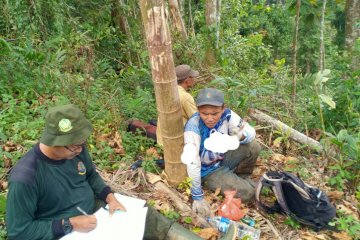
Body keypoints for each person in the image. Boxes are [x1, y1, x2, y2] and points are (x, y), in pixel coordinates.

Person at [6, 104, 236, 240]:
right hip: (64, 231)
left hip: (93, 213)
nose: (79, 150)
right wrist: (69, 224)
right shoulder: (26, 177)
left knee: (143, 214)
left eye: (81, 144)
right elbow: (19, 231)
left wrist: (109, 197)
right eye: (73, 146)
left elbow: (91, 176)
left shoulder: (76, 149)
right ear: (53, 141)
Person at [181, 88, 261, 217]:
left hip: (222, 157)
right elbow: (193, 162)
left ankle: (242, 176)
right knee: (249, 193)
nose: (209, 118)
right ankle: (242, 185)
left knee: (253, 146)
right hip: (208, 170)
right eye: (204, 113)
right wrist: (197, 196)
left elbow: (251, 132)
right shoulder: (193, 126)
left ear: (223, 108)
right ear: (198, 110)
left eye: (214, 113)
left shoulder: (228, 115)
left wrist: (238, 136)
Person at [156, 64, 199, 146]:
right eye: (192, 77)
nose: (194, 79)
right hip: (177, 142)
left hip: (161, 140)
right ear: (187, 80)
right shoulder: (185, 97)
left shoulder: (165, 92)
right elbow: (196, 119)